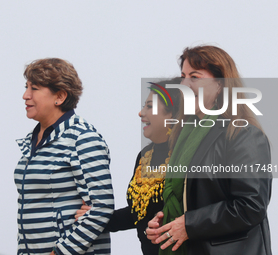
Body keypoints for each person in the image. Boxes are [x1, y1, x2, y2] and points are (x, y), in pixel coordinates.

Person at [146, 45, 272, 255]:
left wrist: (189, 225)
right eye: (183, 76)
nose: (184, 84)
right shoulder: (184, 134)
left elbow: (250, 207)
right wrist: (165, 222)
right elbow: (192, 197)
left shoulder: (244, 135)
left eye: (194, 77)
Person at [14, 58, 114, 255]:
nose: (25, 95)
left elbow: (101, 208)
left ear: (59, 96)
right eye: (26, 87)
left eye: (34, 88)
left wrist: (60, 253)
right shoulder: (33, 140)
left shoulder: (82, 138)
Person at [75, 78, 181, 255]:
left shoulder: (188, 158)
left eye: (149, 106)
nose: (141, 113)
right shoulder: (145, 156)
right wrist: (97, 219)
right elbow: (137, 215)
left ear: (172, 114)